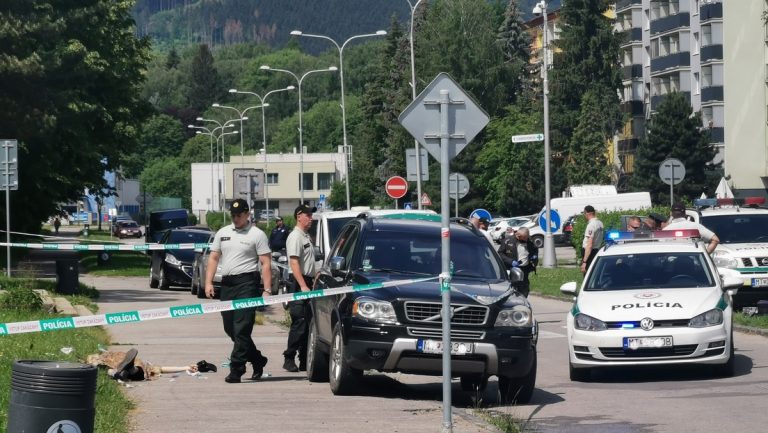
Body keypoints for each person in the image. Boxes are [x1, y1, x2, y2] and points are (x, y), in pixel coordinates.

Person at [205, 198, 272, 383]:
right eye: (233, 215)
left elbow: (266, 263)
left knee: (242, 328)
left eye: (239, 215)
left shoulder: (257, 234)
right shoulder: (223, 233)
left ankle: (237, 368)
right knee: (230, 328)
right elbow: (213, 258)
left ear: (247, 214)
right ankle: (258, 359)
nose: (235, 218)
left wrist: (267, 289)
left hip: (247, 284)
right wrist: (208, 282)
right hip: (227, 284)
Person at [283, 204, 317, 373]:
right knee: (300, 322)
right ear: (299, 216)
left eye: (311, 215)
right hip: (298, 283)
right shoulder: (295, 237)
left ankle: (304, 359)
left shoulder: (306, 236)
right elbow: (294, 262)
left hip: (308, 282)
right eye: (308, 215)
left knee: (308, 322)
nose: (311, 218)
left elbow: (309, 262)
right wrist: (303, 285)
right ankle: (289, 358)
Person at [86, 348, 218, 381]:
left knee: (106, 370)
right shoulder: (115, 356)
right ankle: (126, 371)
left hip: (118, 366)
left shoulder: (105, 357)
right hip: (140, 370)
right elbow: (161, 369)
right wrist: (185, 367)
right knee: (142, 371)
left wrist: (186, 367)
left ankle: (119, 372)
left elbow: (161, 369)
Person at [497, 226, 538, 297]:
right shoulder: (507, 241)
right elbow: (500, 254)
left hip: (525, 269)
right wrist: (510, 261)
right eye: (525, 237)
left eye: (527, 237)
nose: (526, 239)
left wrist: (534, 256)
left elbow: (535, 249)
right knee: (512, 287)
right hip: (512, 269)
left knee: (525, 288)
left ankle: (523, 301)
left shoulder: (529, 241)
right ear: (518, 236)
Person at [580, 205, 604, 274]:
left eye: (584, 213)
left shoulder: (591, 225)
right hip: (596, 250)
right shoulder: (600, 223)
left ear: (587, 213)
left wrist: (584, 262)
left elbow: (589, 245)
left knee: (588, 275)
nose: (584, 215)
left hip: (589, 253)